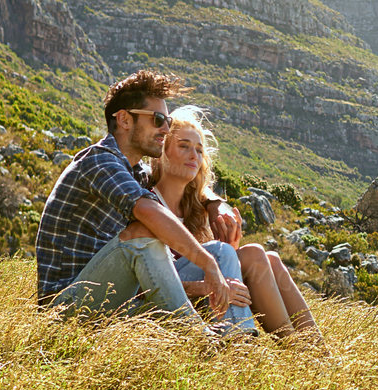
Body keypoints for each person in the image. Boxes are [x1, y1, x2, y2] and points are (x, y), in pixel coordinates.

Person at [36, 70, 247, 334]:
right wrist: (207, 266)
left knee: (222, 251)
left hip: (116, 299)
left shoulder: (135, 172)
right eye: (158, 119)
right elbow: (148, 212)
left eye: (167, 120)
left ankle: (238, 338)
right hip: (64, 310)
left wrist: (214, 202)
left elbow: (181, 179)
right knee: (143, 233)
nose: (166, 129)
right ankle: (199, 337)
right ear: (124, 119)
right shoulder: (100, 161)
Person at [127, 105, 322, 340]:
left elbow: (218, 262)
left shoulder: (197, 209)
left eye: (199, 150)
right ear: (163, 151)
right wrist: (207, 285)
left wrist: (230, 251)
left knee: (268, 257)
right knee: (239, 253)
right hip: (161, 302)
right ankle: (267, 345)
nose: (194, 156)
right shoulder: (147, 201)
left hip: (200, 299)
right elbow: (141, 282)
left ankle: (316, 352)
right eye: (183, 146)